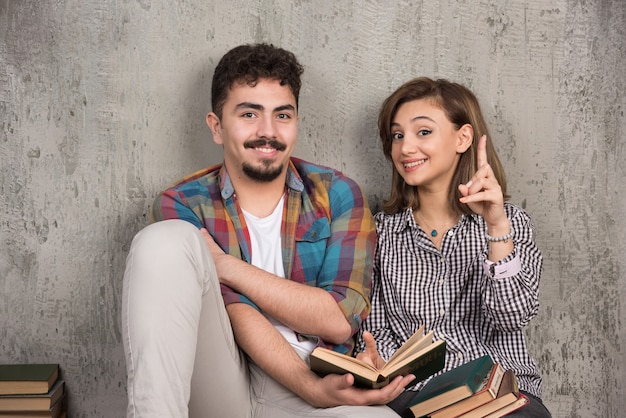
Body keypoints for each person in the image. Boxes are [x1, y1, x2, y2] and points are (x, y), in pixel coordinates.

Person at [121, 43, 415, 418]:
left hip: (320, 385)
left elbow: (339, 320)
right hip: (223, 379)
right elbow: (236, 311)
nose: (268, 132)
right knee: (161, 241)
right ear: (217, 126)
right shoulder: (183, 203)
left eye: (282, 115)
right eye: (249, 114)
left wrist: (225, 266)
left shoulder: (337, 194)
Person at [355, 77, 552, 417]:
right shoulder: (381, 232)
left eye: (424, 132)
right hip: (414, 395)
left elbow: (512, 317)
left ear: (463, 138)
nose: (405, 148)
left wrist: (496, 227)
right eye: (397, 135)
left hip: (498, 393)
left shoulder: (511, 223)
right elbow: (376, 328)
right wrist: (377, 363)